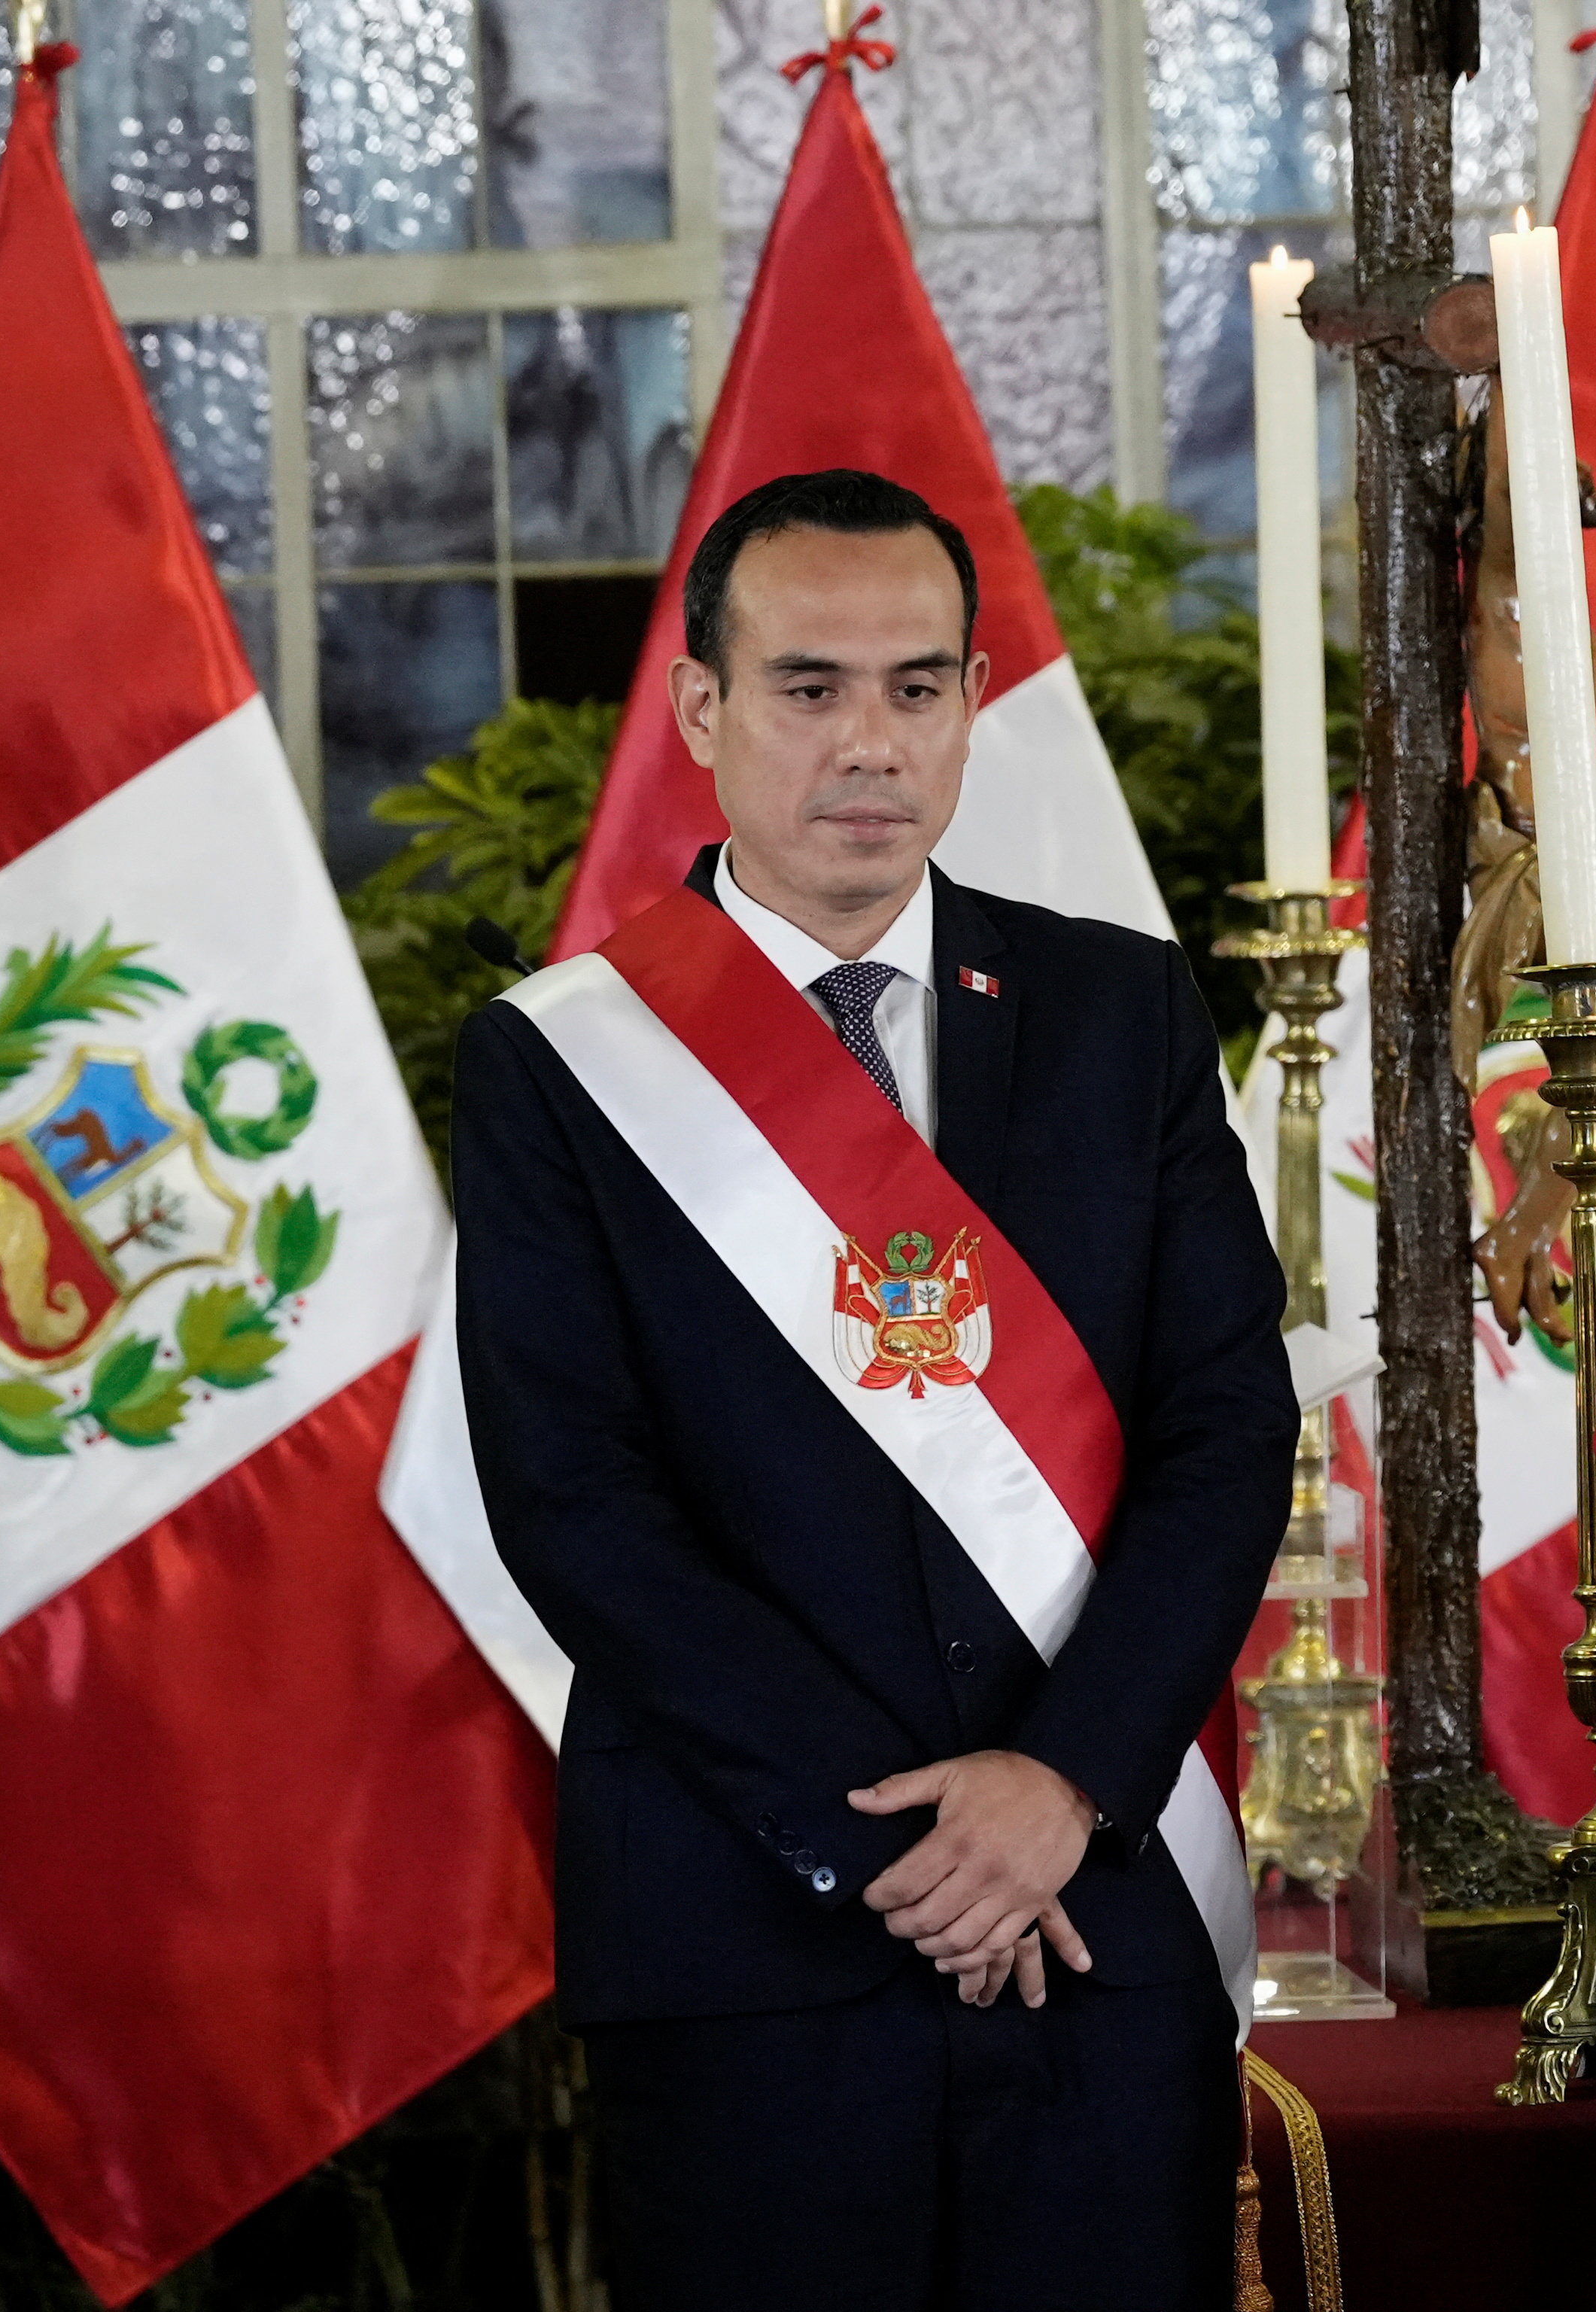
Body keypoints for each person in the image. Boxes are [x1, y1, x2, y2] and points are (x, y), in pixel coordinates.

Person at [450, 468, 1296, 2310]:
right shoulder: (560, 1067)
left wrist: (1062, 1781)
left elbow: (1229, 1428)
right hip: (749, 1939)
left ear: (975, 702)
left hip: (1100, 1903)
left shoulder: (1122, 1014)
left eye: (918, 688)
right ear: (701, 710)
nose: (869, 743)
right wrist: (906, 1843)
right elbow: (575, 1507)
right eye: (809, 686)